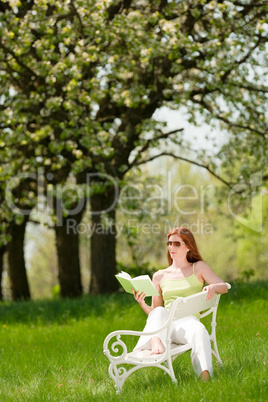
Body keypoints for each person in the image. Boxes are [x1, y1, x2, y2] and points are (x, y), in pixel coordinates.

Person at [132, 227, 229, 381]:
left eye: (177, 244)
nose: (171, 247)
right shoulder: (159, 276)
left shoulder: (199, 267)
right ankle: (156, 340)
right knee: (160, 312)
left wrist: (213, 287)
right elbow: (155, 314)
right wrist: (142, 303)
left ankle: (204, 375)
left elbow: (224, 287)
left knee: (199, 330)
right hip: (165, 325)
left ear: (188, 246)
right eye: (169, 244)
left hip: (188, 323)